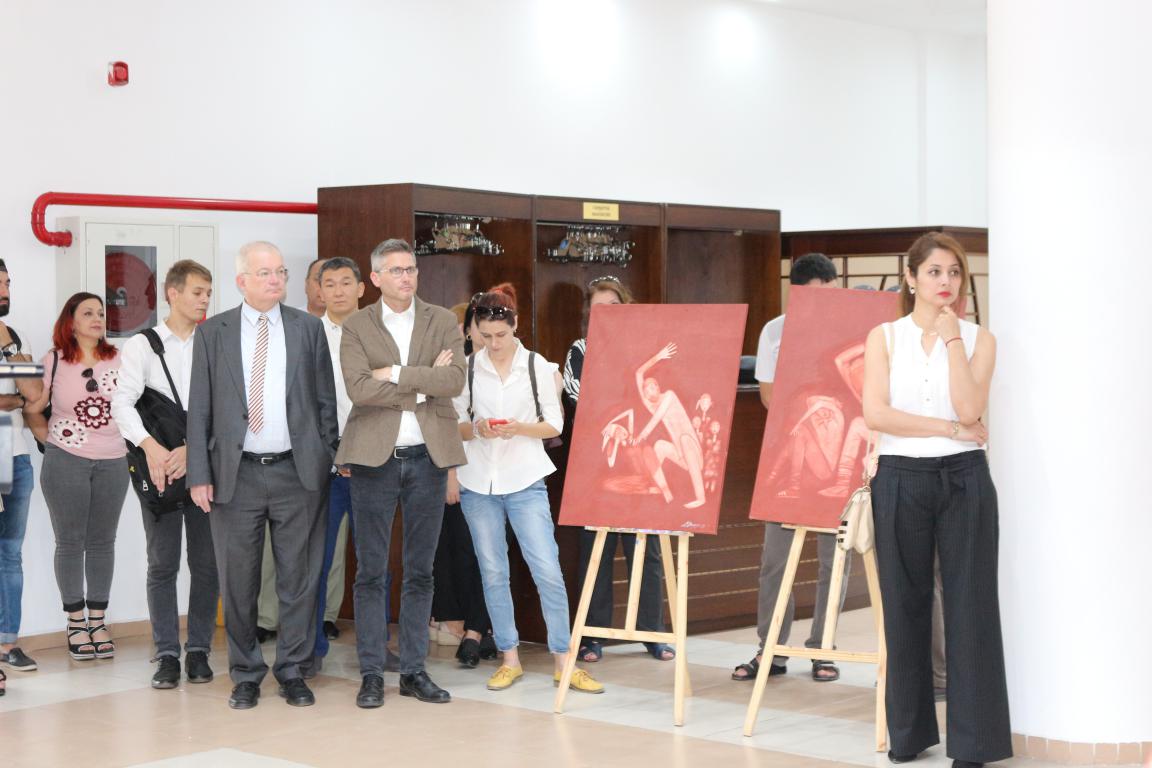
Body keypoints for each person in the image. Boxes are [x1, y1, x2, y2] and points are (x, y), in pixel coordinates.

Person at [862, 232, 1009, 768]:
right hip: (900, 476)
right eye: (933, 272)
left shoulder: (978, 339)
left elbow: (971, 409)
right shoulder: (884, 337)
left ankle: (974, 744)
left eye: (954, 272)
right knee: (904, 603)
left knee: (971, 605)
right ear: (910, 278)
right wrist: (946, 428)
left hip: (965, 478)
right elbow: (876, 414)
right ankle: (909, 734)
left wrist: (951, 342)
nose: (945, 281)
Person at [187, 241, 338, 710]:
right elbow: (200, 409)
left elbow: (325, 402)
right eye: (265, 273)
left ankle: (293, 670)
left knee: (300, 579)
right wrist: (199, 474)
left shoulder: (308, 328)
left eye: (281, 272)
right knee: (238, 582)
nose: (276, 280)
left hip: (298, 472)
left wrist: (325, 454)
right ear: (242, 281)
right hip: (235, 475)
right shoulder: (213, 332)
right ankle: (246, 673)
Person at [454, 289, 604, 695]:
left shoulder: (538, 366)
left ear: (515, 325)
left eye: (501, 335)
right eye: (485, 335)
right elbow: (455, 426)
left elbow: (555, 424)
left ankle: (564, 660)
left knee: (547, 570)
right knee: (493, 572)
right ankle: (509, 657)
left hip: (525, 479)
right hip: (478, 481)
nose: (494, 343)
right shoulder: (467, 369)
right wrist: (478, 429)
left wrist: (518, 428)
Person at [336, 238, 464, 709]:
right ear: (375, 278)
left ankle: (413, 671)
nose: (406, 277)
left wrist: (393, 372)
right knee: (371, 571)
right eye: (396, 270)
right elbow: (358, 389)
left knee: (420, 571)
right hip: (374, 459)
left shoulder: (442, 320)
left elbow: (454, 380)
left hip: (428, 458)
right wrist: (422, 382)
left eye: (411, 269)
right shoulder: (357, 325)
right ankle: (372, 672)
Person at [733, 252, 850, 683]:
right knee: (775, 561)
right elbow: (768, 397)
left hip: (839, 453)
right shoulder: (776, 330)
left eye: (831, 295)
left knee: (833, 562)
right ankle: (771, 649)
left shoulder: (852, 330)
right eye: (816, 297)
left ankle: (823, 648)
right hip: (788, 454)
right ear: (796, 294)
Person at [111, 260, 218, 689]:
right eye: (197, 292)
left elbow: (228, 408)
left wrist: (194, 452)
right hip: (158, 469)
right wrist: (152, 448)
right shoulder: (143, 344)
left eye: (208, 292)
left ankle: (199, 651)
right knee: (162, 564)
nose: (205, 300)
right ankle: (168, 654)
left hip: (203, 468)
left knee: (207, 565)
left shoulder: (215, 341)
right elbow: (122, 403)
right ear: (172, 294)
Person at [563, 276, 673, 663]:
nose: (606, 315)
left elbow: (655, 398)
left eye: (613, 307)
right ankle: (592, 635)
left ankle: (652, 632)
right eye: (598, 310)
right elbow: (579, 398)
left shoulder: (647, 350)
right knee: (597, 552)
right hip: (596, 466)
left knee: (647, 551)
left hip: (642, 460)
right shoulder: (580, 350)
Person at [25, 293, 128, 661]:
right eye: (88, 313)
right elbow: (32, 409)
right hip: (66, 460)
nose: (97, 318)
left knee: (103, 541)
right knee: (70, 542)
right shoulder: (53, 359)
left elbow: (133, 407)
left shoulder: (120, 358)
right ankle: (75, 622)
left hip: (114, 460)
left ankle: (97, 621)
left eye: (100, 312)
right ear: (71, 322)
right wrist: (52, 443)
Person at [433, 291, 494, 668]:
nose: (486, 334)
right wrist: (451, 475)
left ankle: (481, 628)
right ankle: (473, 627)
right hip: (465, 473)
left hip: (504, 477)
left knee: (493, 557)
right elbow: (446, 427)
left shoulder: (516, 366)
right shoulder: (459, 372)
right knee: (466, 554)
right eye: (478, 326)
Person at [310, 256, 364, 662]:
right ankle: (310, 647)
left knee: (374, 563)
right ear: (319, 291)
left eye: (346, 282)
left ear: (361, 288)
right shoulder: (307, 335)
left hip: (371, 461)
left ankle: (374, 648)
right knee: (316, 560)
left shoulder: (379, 333)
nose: (338, 291)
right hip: (322, 467)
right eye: (329, 284)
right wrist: (332, 451)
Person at [0, 259, 45, 681]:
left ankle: (7, 642)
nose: (5, 292)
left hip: (14, 454)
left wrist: (9, 350)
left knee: (10, 553)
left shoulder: (16, 338)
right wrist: (12, 400)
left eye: (7, 283)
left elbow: (33, 395)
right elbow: (16, 399)